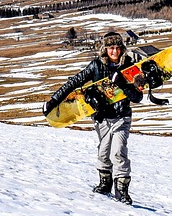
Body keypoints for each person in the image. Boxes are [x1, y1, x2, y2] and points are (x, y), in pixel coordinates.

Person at [43, 31, 145, 205]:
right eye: (111, 48)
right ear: (105, 49)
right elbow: (74, 82)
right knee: (104, 152)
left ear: (122, 48)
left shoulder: (129, 66)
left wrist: (122, 83)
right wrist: (54, 100)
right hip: (102, 117)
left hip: (122, 117)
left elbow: (138, 97)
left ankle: (122, 192)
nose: (114, 51)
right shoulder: (96, 66)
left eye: (117, 47)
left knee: (118, 151)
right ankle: (105, 184)